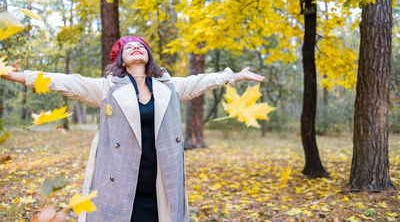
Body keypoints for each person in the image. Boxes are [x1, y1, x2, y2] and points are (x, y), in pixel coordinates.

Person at [1, 35, 265, 221]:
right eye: (130, 47)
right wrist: (16, 75)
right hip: (121, 182)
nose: (136, 47)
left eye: (141, 45)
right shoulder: (107, 89)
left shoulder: (169, 87)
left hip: (160, 180)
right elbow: (65, 81)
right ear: (122, 61)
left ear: (148, 56)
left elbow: (202, 81)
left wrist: (234, 76)